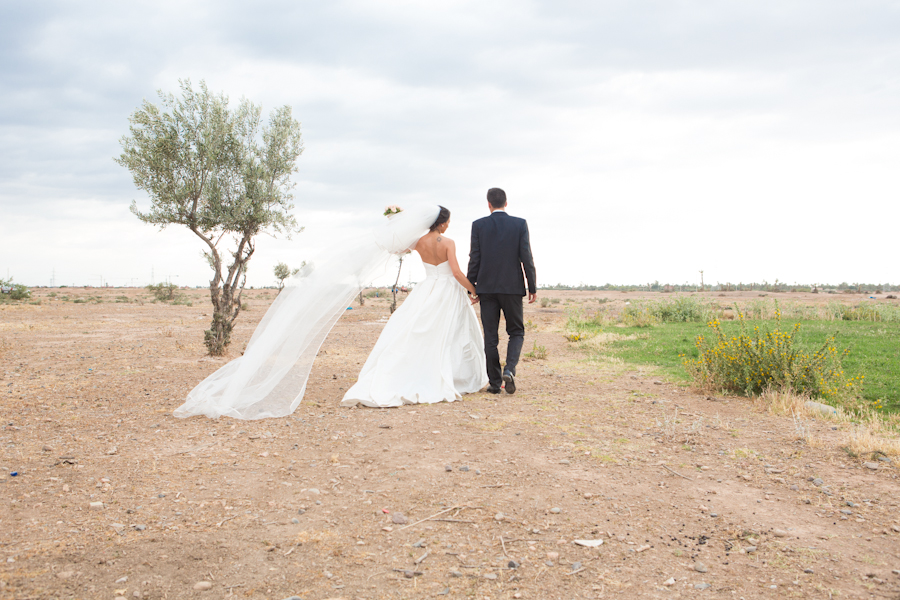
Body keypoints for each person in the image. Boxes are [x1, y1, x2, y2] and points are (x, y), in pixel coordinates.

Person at [341, 207, 488, 407]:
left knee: (420, 330)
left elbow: (395, 248)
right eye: (448, 222)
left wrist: (396, 223)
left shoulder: (419, 242)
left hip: (427, 289)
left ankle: (420, 371)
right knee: (453, 332)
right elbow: (456, 273)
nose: (448, 225)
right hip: (448, 291)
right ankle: (454, 375)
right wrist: (473, 290)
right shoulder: (448, 243)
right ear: (442, 222)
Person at [467, 188, 536, 394]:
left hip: (487, 288)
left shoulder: (478, 225)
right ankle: (510, 369)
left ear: (489, 204)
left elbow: (475, 258)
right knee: (516, 331)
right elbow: (527, 257)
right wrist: (532, 286)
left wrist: (471, 287)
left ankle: (495, 384)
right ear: (506, 203)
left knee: (490, 336)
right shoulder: (519, 224)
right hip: (513, 288)